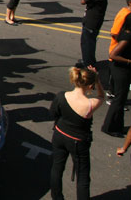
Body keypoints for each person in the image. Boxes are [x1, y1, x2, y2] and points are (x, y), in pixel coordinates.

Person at [50, 65, 106, 200]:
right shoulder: (90, 104)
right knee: (82, 176)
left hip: (59, 135)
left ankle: (57, 197)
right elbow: (102, 96)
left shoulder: (61, 96)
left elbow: (53, 113)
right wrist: (97, 80)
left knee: (57, 168)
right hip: (78, 141)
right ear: (90, 85)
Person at [102, 11, 131, 138]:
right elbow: (113, 55)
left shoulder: (130, 34)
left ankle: (118, 127)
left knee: (121, 100)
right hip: (120, 71)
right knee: (119, 100)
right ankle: (109, 127)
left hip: (123, 71)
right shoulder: (127, 37)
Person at [81, 0, 110, 68]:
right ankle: (90, 61)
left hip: (90, 22)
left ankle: (88, 65)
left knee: (87, 45)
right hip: (96, 21)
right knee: (90, 43)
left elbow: (83, 1)